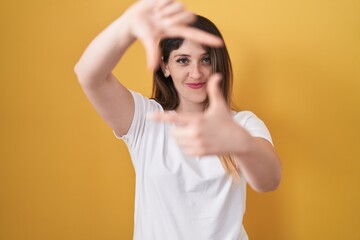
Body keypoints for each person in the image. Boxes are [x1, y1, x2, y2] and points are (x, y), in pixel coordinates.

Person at [74, 0, 282, 239]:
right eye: (183, 60)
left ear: (218, 65)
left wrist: (243, 144)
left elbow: (270, 181)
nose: (196, 72)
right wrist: (127, 25)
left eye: (206, 59)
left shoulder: (243, 124)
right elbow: (88, 74)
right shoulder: (145, 119)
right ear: (165, 66)